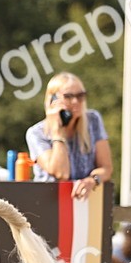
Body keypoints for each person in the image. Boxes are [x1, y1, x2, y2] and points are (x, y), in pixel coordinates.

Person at [25, 72, 112, 200]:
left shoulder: (93, 120)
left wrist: (92, 180)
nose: (76, 101)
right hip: (48, 204)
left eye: (80, 96)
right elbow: (61, 173)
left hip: (85, 204)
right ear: (52, 101)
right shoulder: (36, 133)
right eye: (68, 96)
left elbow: (106, 168)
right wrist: (58, 131)